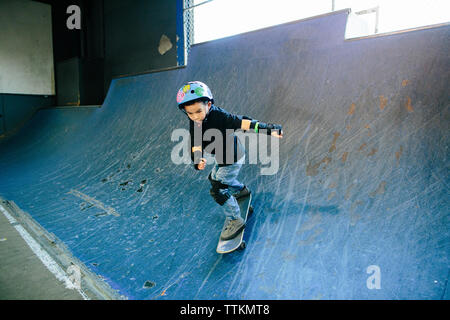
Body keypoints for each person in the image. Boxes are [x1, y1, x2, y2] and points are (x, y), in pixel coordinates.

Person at [176, 81, 283, 240]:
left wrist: (270, 129)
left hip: (232, 158)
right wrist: (197, 158)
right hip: (223, 158)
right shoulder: (196, 122)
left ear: (209, 104)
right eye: (190, 114)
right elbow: (195, 142)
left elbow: (243, 122)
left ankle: (235, 220)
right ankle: (242, 191)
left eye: (198, 111)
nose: (195, 117)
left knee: (218, 190)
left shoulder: (220, 116)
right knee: (214, 178)